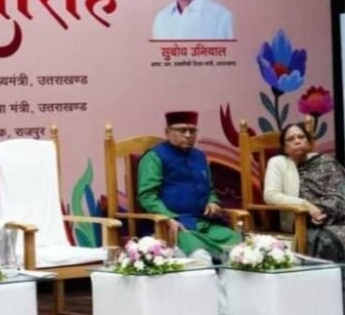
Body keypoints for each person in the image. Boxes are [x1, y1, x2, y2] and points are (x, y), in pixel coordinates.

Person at [137, 111, 242, 261]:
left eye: (192, 131)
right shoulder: (154, 157)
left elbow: (210, 189)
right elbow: (147, 196)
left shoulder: (199, 156)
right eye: (182, 130)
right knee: (200, 256)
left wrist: (213, 202)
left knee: (241, 249)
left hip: (203, 223)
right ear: (167, 132)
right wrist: (168, 218)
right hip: (173, 226)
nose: (188, 135)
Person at [264, 122, 345, 258]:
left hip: (336, 216)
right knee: (327, 240)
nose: (297, 141)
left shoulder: (326, 162)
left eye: (301, 137)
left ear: (308, 142)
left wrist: (323, 212)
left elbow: (339, 191)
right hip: (303, 220)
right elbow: (271, 196)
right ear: (285, 148)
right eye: (291, 139)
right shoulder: (279, 163)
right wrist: (308, 206)